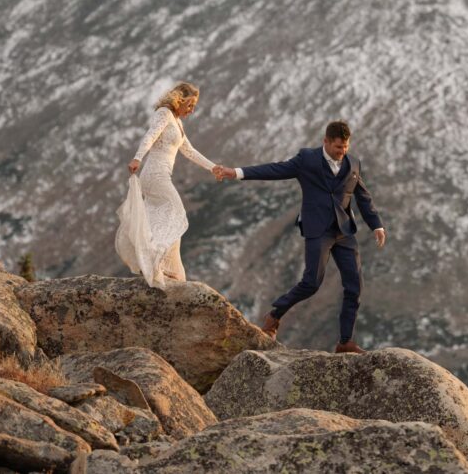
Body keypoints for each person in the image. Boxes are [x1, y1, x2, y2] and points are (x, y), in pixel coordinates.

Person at [213, 120, 386, 353]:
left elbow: (363, 197)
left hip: (344, 232)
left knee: (355, 286)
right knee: (311, 283)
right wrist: (236, 172)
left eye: (345, 147)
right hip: (318, 230)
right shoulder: (307, 159)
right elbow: (274, 170)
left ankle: (345, 342)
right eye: (338, 147)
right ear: (325, 142)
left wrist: (376, 225)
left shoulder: (353, 163)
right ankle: (275, 314)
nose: (342, 152)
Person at [116, 82, 221, 289]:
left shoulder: (177, 123)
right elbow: (150, 136)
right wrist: (137, 158)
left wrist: (213, 168)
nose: (192, 110)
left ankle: (165, 267)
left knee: (168, 216)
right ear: (178, 100)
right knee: (177, 211)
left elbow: (189, 151)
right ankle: (157, 259)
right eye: (190, 104)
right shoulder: (164, 113)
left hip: (162, 175)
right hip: (154, 174)